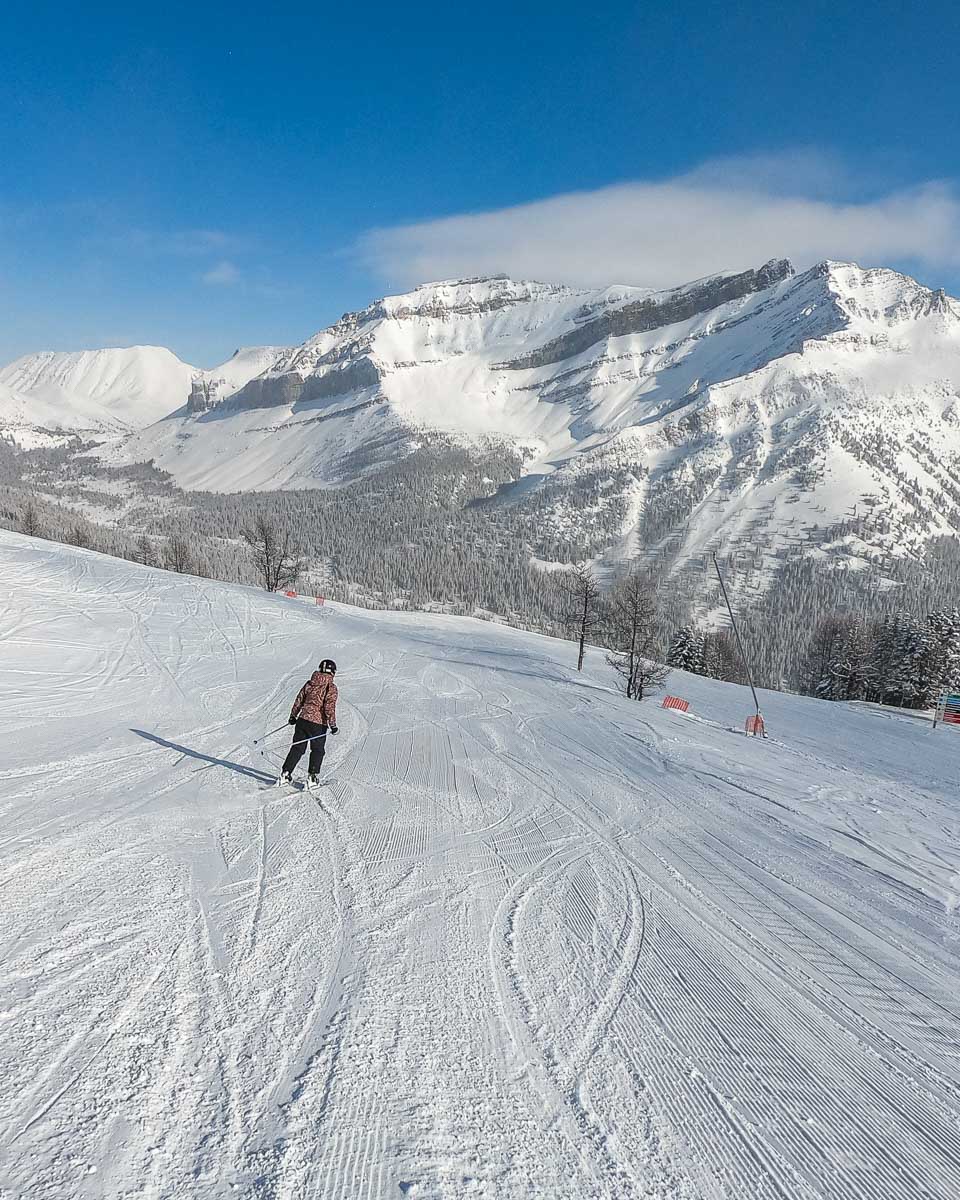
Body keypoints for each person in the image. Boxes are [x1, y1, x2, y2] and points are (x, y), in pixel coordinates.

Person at [279, 658, 339, 788]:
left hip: (302, 721)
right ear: (332, 672)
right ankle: (312, 778)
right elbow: (329, 707)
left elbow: (299, 699)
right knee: (317, 750)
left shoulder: (310, 683)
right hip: (318, 724)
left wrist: (293, 716)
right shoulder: (331, 688)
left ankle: (285, 773)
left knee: (297, 748)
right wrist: (333, 725)